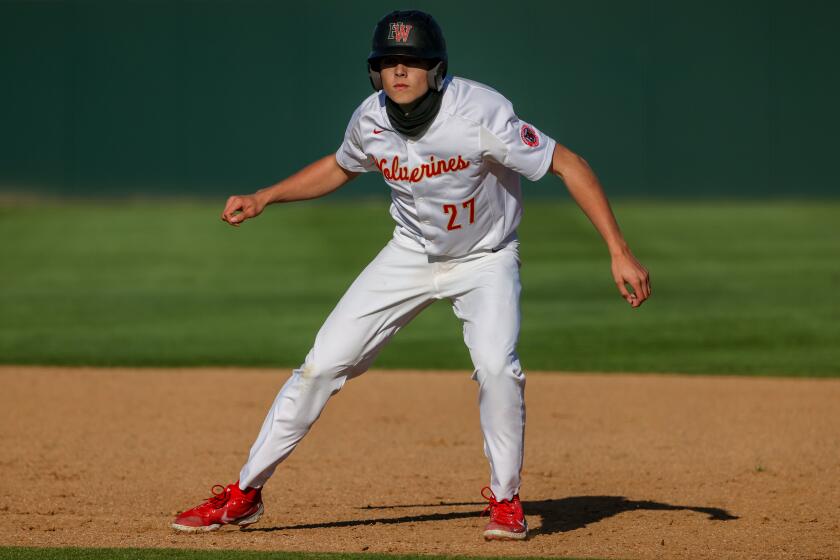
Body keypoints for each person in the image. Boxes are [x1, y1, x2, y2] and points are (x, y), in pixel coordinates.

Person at [171, 9, 650, 541]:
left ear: (436, 70)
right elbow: (341, 164)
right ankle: (244, 494)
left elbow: (568, 163)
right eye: (389, 62)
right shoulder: (370, 118)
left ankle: (507, 501)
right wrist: (265, 197)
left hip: (485, 259)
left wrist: (618, 251)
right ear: (376, 72)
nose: (400, 71)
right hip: (410, 254)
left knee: (497, 366)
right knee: (321, 364)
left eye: (413, 61)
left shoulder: (480, 113)